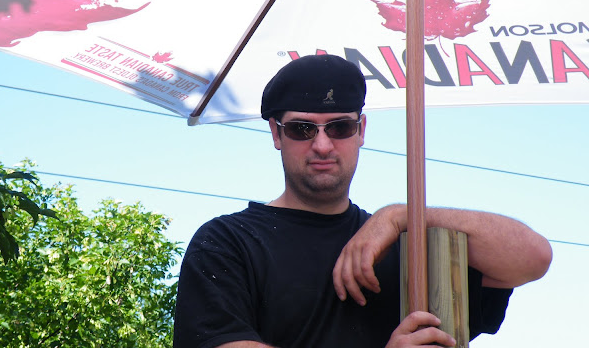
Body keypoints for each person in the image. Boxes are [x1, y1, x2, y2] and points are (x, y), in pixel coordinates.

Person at [173, 54, 552, 348]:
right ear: (276, 133)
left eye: (340, 127)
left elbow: (532, 256)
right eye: (302, 128)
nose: (322, 145)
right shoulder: (226, 242)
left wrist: (401, 216)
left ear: (362, 130)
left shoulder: (405, 243)